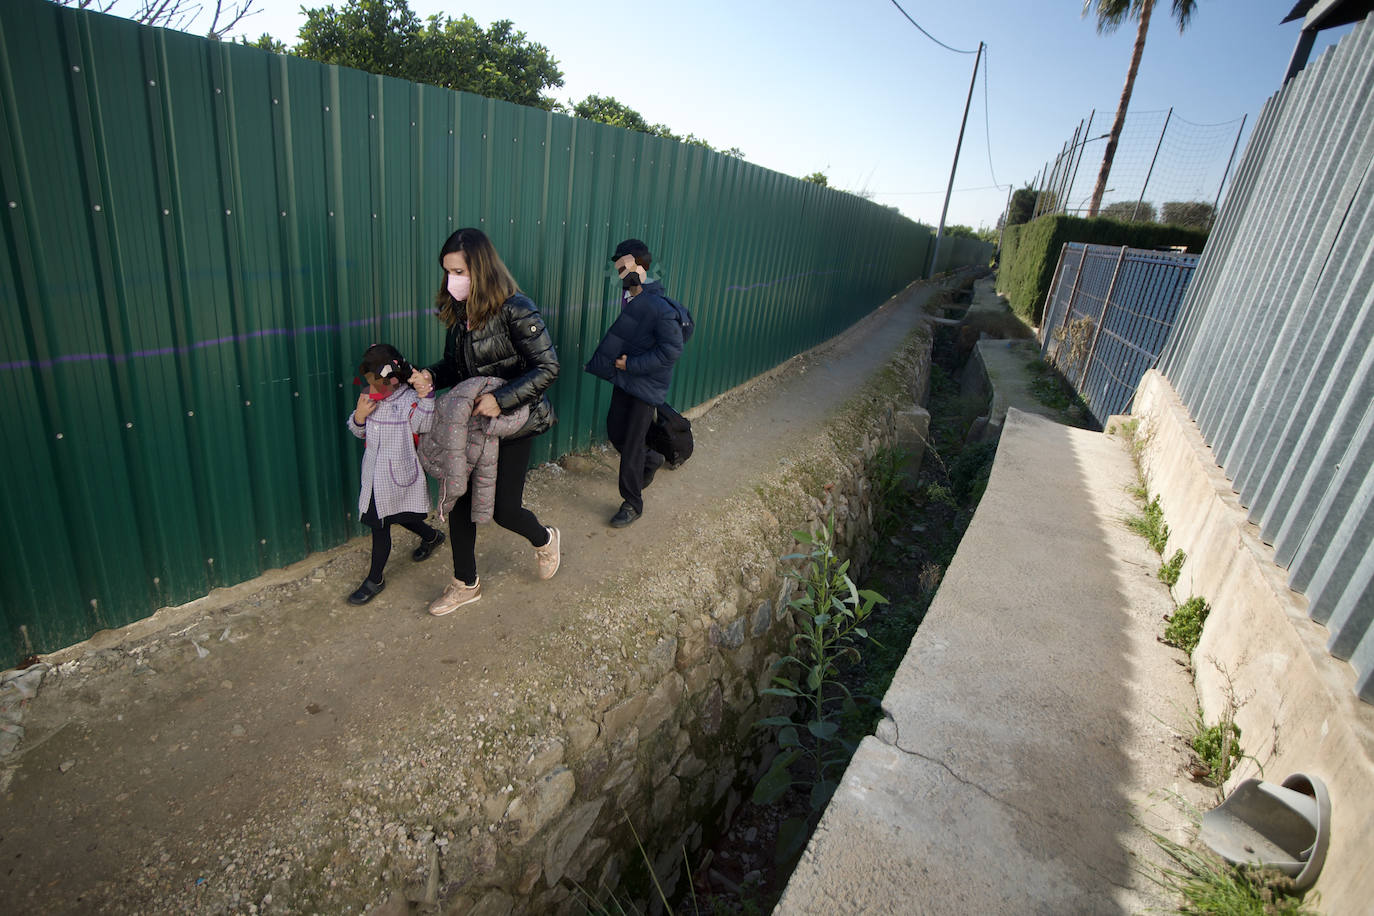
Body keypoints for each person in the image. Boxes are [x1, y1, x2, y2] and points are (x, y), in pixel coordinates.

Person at [411, 228, 561, 616]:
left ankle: (545, 538)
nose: (451, 281)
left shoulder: (517, 308)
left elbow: (547, 368)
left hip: (514, 423)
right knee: (459, 500)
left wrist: (500, 399)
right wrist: (430, 376)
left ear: (481, 268)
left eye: (459, 271)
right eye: (447, 272)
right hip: (473, 423)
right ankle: (465, 583)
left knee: (504, 509)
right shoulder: (460, 314)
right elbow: (455, 368)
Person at [585, 239, 685, 528]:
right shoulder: (632, 297)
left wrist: (631, 364)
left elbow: (672, 350)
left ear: (640, 266)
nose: (618, 271)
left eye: (623, 265)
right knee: (616, 431)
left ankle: (632, 503)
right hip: (626, 380)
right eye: (617, 266)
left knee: (630, 444)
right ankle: (651, 460)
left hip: (646, 386)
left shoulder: (657, 306)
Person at [346, 343, 445, 605]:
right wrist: (359, 417)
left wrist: (427, 396)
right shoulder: (369, 398)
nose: (373, 388)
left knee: (386, 523)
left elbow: (423, 423)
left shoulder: (408, 400)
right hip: (373, 476)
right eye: (370, 382)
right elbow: (358, 431)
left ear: (395, 378)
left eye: (378, 383)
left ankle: (375, 579)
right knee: (395, 517)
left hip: (398, 475)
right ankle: (432, 536)